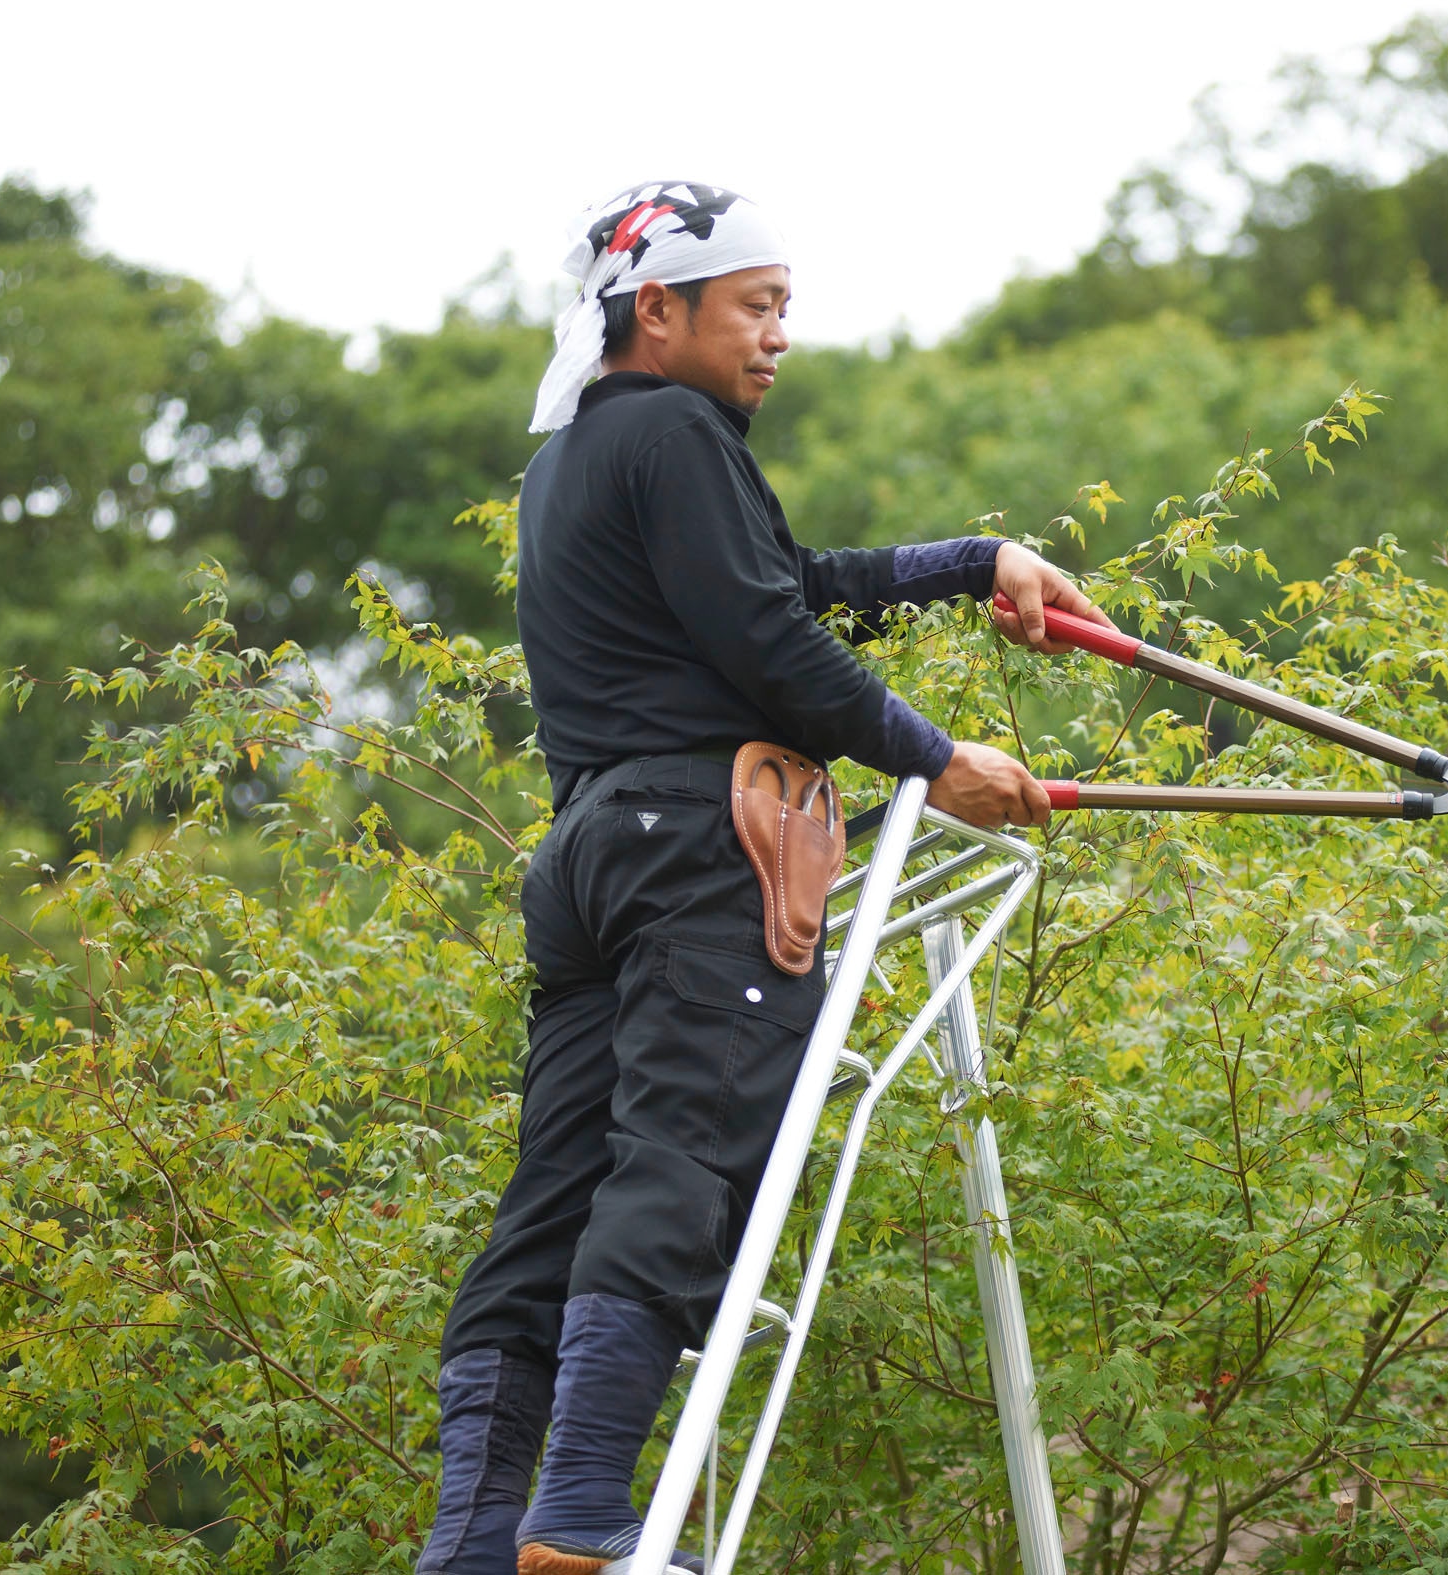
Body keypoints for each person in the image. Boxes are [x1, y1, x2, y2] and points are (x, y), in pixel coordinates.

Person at [415, 181, 1115, 1575]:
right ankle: (577, 1523)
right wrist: (931, 759)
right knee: (680, 1161)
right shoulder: (676, 430)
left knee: (551, 1200)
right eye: (757, 306)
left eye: (785, 307)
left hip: (594, 856)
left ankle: (480, 1540)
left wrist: (971, 563)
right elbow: (767, 636)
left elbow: (781, 581)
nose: (779, 337)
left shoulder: (574, 454)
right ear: (655, 310)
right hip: (700, 855)